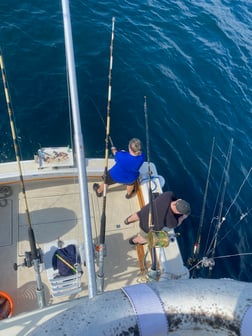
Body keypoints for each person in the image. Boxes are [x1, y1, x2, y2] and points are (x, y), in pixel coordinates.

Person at [124, 191, 191, 245]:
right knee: (144, 237)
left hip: (144, 212)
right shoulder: (172, 221)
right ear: (179, 213)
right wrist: (183, 217)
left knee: (139, 214)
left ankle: (128, 220)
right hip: (146, 227)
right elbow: (177, 223)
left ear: (179, 200)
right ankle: (134, 241)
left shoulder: (168, 195)